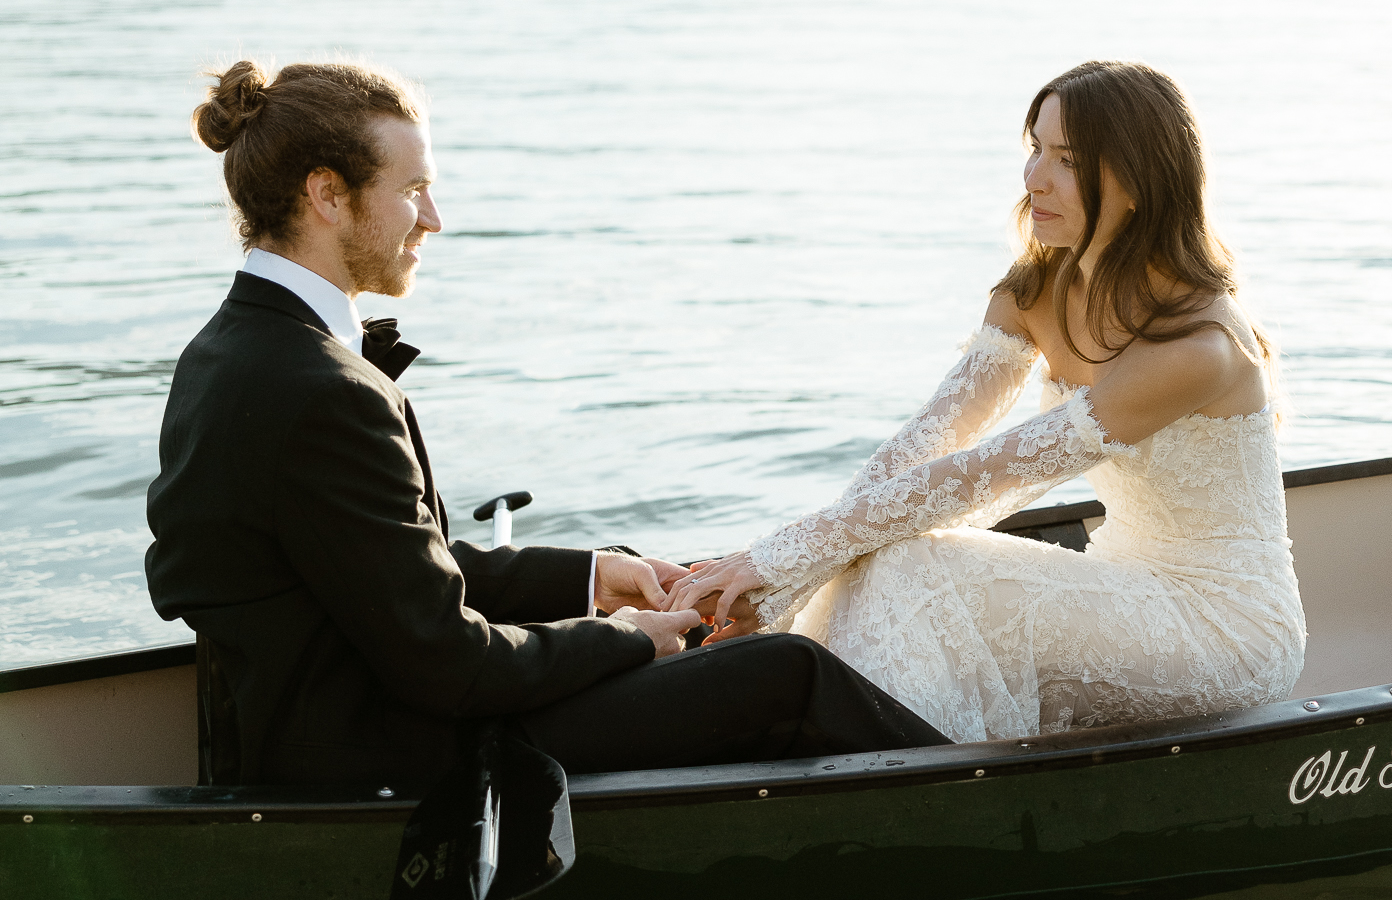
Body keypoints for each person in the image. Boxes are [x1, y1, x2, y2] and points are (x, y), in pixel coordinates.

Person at [144, 59, 947, 790]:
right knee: (783, 672)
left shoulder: (227, 350)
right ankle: (991, 809)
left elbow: (388, 575)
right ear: (327, 195)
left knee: (684, 617)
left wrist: (592, 579)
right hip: (389, 753)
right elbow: (448, 664)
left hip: (340, 716)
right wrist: (627, 638)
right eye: (413, 189)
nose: (433, 219)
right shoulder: (322, 387)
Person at [672, 60, 1307, 744]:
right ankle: (818, 737)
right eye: (1036, 147)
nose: (1035, 178)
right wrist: (786, 582)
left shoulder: (1198, 348)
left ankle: (891, 776)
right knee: (896, 552)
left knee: (926, 565)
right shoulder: (1034, 292)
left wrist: (779, 563)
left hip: (1224, 627)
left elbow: (987, 477)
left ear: (1138, 181)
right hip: (1121, 584)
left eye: (1068, 159)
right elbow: (924, 448)